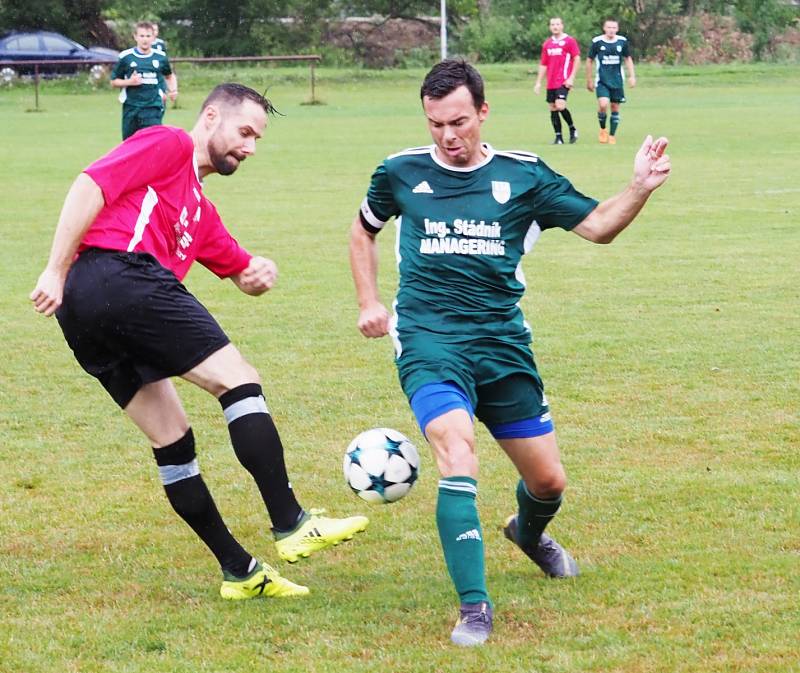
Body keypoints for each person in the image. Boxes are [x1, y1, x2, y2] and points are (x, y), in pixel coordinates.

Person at [349, 59, 670, 646]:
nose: (448, 136)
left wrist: (640, 187)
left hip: (501, 345)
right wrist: (370, 300)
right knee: (456, 449)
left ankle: (526, 532)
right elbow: (362, 228)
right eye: (435, 124)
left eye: (459, 122)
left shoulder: (524, 176)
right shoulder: (399, 172)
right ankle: (474, 606)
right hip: (428, 340)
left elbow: (598, 226)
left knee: (549, 482)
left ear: (483, 112)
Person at [30, 82, 369, 601]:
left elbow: (238, 268)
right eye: (245, 131)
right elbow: (89, 185)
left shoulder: (200, 211)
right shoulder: (167, 144)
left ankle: (240, 571)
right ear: (211, 117)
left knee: (172, 440)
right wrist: (54, 270)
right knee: (239, 381)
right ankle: (292, 522)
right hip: (116, 272)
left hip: (86, 311)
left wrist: (255, 273)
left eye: (258, 138)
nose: (250, 147)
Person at [110, 21, 178, 140]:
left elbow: (169, 76)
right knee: (130, 144)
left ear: (153, 37)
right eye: (141, 36)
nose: (145, 39)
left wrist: (173, 90)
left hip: (152, 107)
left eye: (148, 36)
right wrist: (129, 82)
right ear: (135, 37)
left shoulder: (160, 57)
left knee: (153, 143)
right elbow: (113, 81)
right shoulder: (126, 57)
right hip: (131, 107)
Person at [586, 18, 636, 144]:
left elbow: (628, 59)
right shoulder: (597, 42)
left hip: (617, 80)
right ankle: (603, 129)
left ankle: (612, 135)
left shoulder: (622, 42)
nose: (611, 30)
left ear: (617, 29)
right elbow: (589, 60)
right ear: (604, 28)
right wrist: (589, 79)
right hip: (602, 80)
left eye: (614, 28)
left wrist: (632, 76)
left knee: (614, 107)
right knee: (603, 105)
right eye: (609, 27)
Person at [534, 17, 580, 144]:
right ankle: (558, 137)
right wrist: (538, 82)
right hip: (551, 82)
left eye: (557, 24)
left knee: (560, 105)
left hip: (563, 81)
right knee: (553, 108)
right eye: (553, 24)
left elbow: (576, 59)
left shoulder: (569, 41)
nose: (555, 26)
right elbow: (544, 64)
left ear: (562, 26)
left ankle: (572, 128)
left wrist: (571, 77)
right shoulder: (547, 44)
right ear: (550, 27)